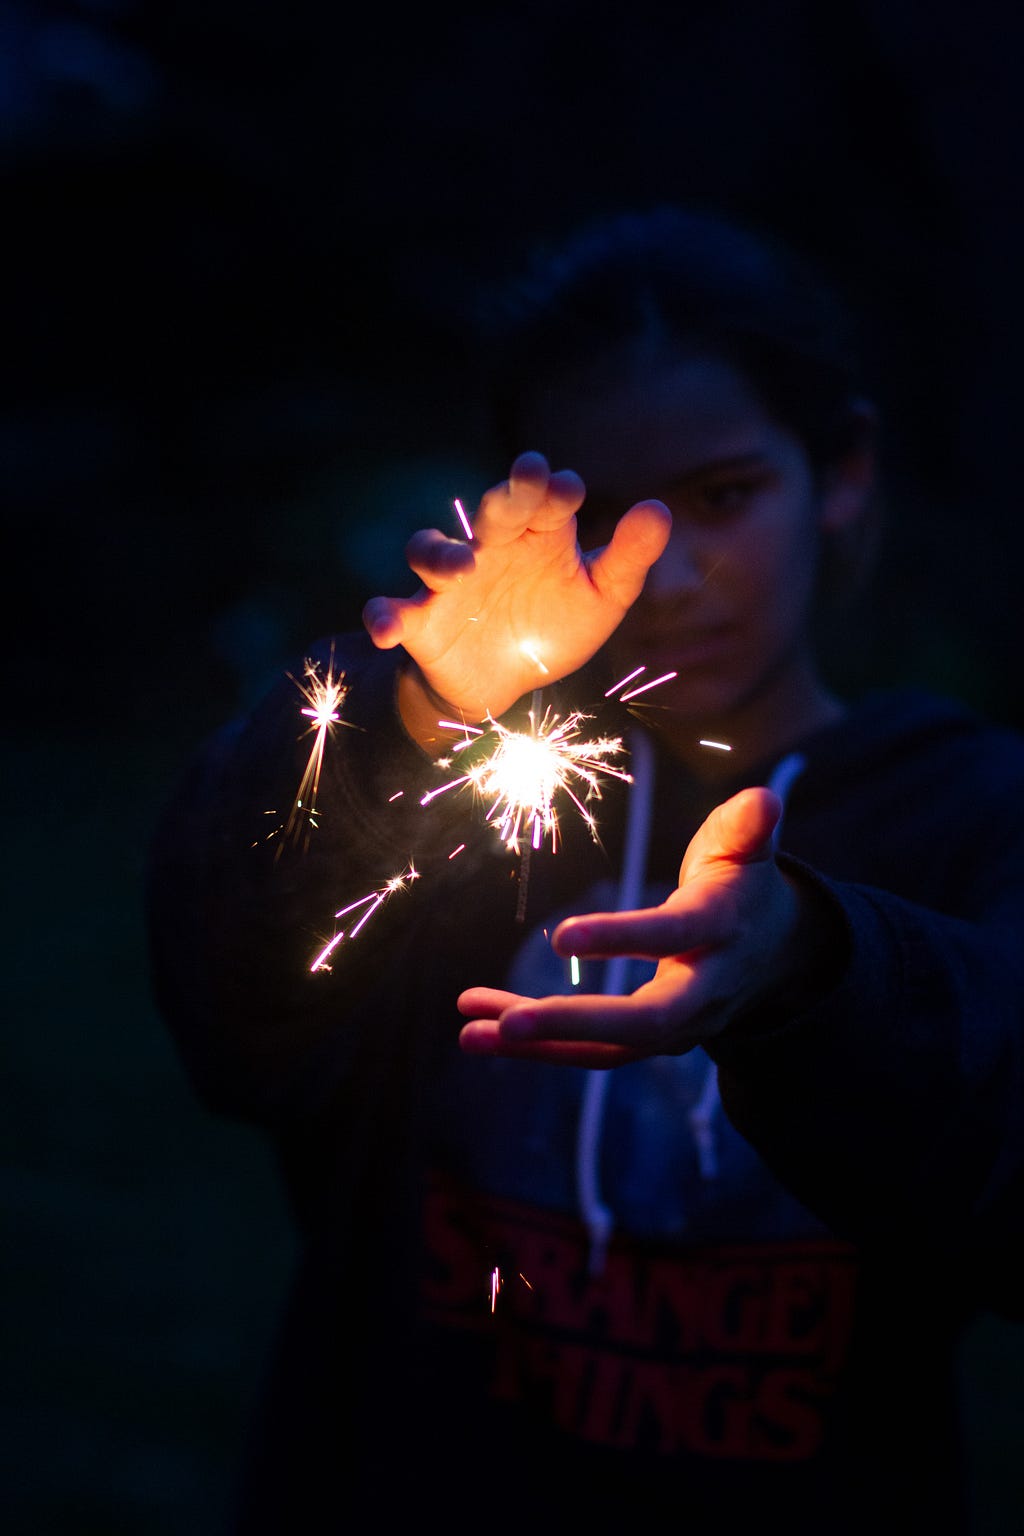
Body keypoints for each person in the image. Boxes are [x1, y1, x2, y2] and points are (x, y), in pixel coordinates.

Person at [145, 206, 1024, 1535]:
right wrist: (413, 715)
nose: (667, 571)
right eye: (606, 514)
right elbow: (233, 1016)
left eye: (726, 495)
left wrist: (817, 969)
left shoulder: (968, 813)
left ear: (841, 473)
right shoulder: (440, 792)